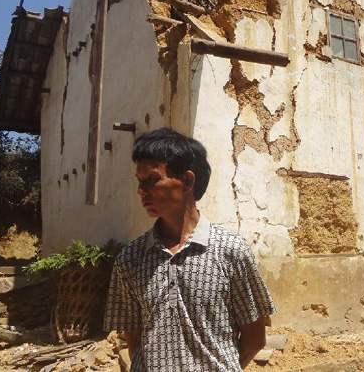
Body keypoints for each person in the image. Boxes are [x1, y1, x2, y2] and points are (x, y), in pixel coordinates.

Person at [104, 127, 276, 371]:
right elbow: (135, 341)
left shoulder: (231, 251)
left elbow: (255, 337)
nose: (141, 191)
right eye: (140, 182)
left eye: (153, 179)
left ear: (186, 180)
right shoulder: (130, 259)